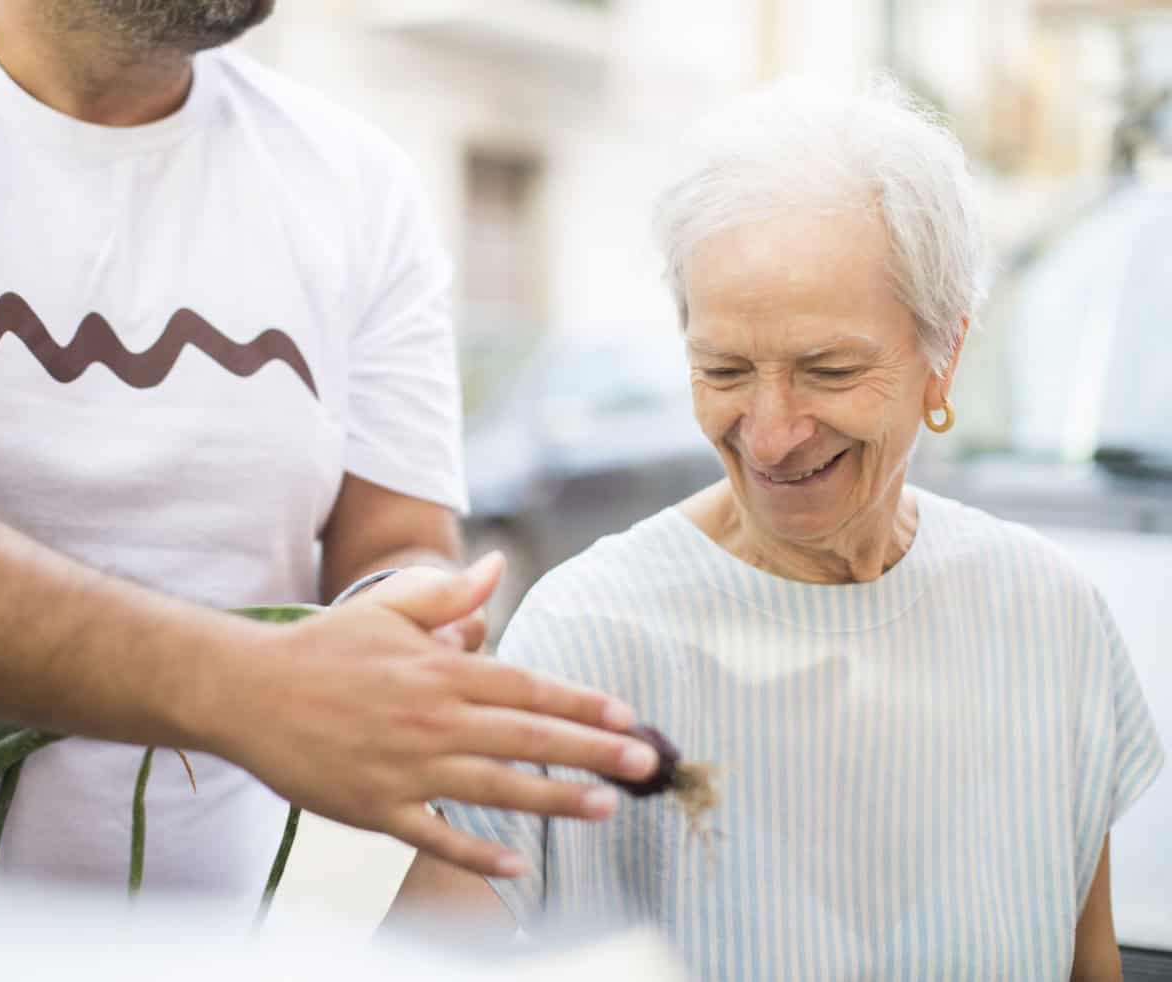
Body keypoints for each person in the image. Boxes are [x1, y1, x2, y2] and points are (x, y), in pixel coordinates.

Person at [0, 0, 662, 906]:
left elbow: (397, 540)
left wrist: (398, 628)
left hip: (191, 936)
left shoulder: (359, 186)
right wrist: (245, 686)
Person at [384, 77, 1165, 980]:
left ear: (944, 354)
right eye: (723, 368)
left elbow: (1087, 962)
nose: (770, 430)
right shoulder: (588, 634)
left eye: (828, 370)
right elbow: (420, 961)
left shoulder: (1048, 615)